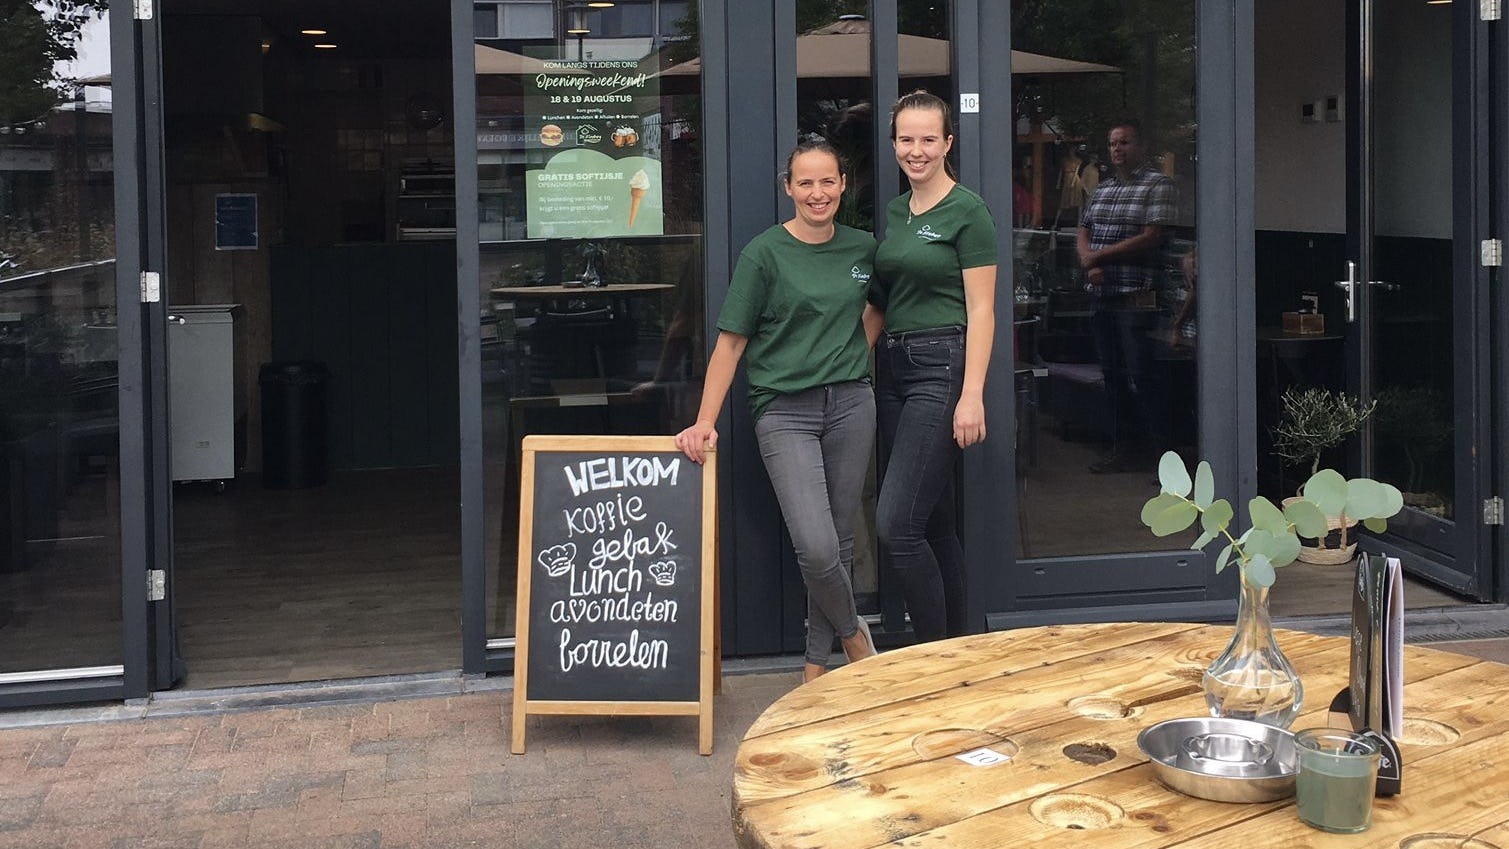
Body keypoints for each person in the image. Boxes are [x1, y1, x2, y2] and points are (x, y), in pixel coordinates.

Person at [674, 138, 877, 683]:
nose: (818, 193)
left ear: (843, 185)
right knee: (816, 545)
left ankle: (814, 669)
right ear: (788, 188)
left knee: (840, 539)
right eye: (805, 182)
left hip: (852, 405)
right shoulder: (763, 253)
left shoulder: (863, 248)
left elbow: (879, 305)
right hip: (784, 412)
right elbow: (730, 343)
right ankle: (856, 640)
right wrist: (704, 420)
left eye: (828, 181)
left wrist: (852, 350)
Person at [865, 91, 998, 643]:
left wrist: (972, 395)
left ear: (948, 143)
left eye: (927, 140)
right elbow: (881, 299)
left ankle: (932, 656)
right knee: (935, 522)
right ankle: (960, 649)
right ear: (893, 142)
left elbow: (983, 309)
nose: (915, 151)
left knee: (896, 525)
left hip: (941, 367)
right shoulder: (897, 211)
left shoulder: (969, 212)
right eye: (905, 139)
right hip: (892, 369)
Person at [1076, 119, 1177, 473]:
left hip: (1137, 298)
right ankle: (1125, 449)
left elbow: (1152, 236)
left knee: (1144, 376)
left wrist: (1099, 257)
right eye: (1113, 144)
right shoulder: (1102, 190)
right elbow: (1084, 230)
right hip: (1102, 296)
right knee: (1113, 375)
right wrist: (1089, 263)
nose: (1117, 150)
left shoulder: (1158, 185)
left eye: (1125, 143)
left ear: (1141, 146)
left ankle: (1165, 460)